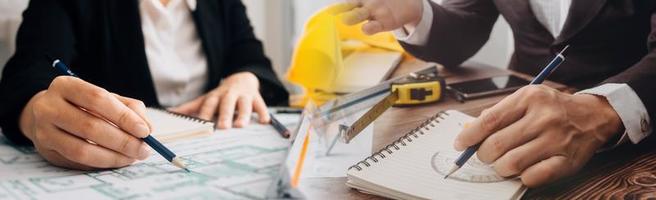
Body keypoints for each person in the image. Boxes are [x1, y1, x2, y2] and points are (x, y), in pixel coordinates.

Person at [342, 0, 656, 187]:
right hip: (517, 108)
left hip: (633, 148)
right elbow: (468, 25)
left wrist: (603, 110)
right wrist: (416, 13)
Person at [0, 0, 288, 170]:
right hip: (119, 155)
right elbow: (28, 72)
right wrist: (34, 112)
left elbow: (253, 59)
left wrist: (246, 78)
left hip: (211, 143)